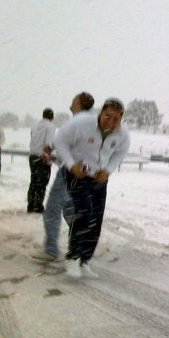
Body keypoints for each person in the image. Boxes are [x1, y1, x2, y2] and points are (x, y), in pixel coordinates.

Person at [53, 97, 130, 278]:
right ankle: (73, 257)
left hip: (99, 178)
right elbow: (60, 141)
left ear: (121, 119)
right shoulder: (81, 123)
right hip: (76, 174)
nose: (110, 122)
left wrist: (108, 170)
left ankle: (84, 260)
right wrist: (71, 164)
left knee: (96, 219)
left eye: (116, 119)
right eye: (107, 116)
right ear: (100, 112)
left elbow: (120, 153)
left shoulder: (123, 135)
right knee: (84, 213)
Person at [32, 92, 95, 262]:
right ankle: (82, 247)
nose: (71, 103)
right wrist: (55, 157)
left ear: (80, 103)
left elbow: (64, 146)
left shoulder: (77, 122)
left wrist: (50, 150)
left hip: (69, 174)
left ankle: (51, 250)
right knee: (70, 211)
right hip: (83, 174)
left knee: (52, 209)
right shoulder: (91, 123)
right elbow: (76, 151)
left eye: (74, 100)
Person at [27, 108, 55, 213]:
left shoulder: (35, 126)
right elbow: (48, 143)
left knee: (33, 181)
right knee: (42, 183)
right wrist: (48, 158)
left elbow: (32, 138)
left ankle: (30, 205)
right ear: (52, 117)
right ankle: (38, 207)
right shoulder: (50, 127)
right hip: (42, 157)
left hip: (32, 156)